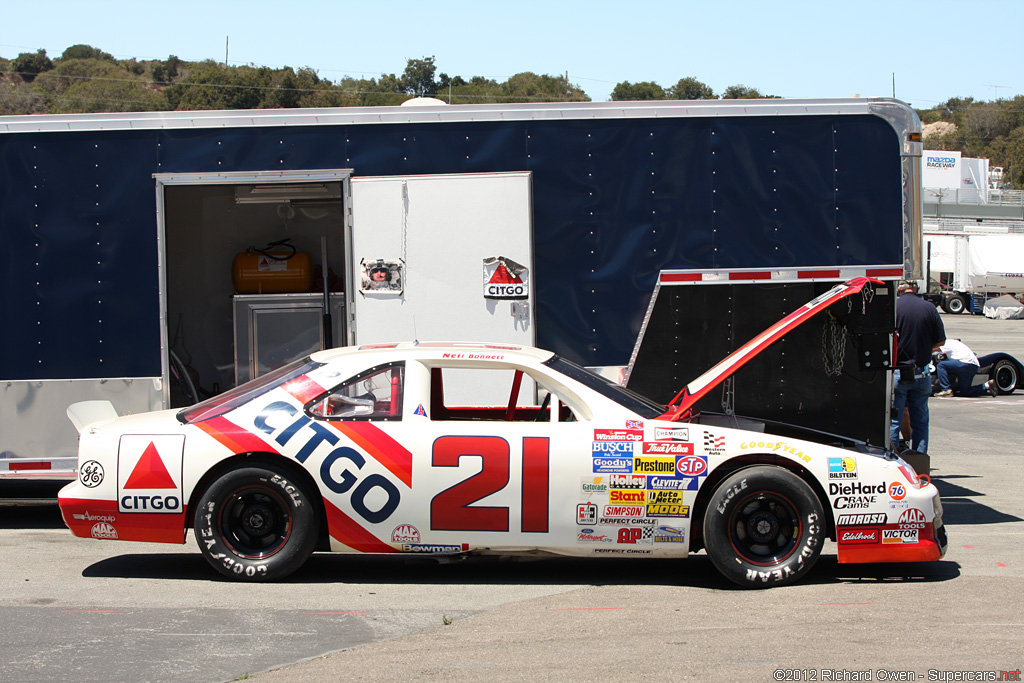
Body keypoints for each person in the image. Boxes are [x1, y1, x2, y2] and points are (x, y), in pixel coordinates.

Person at [891, 281, 945, 453]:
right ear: (917, 289)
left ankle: (892, 461)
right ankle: (920, 463)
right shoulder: (929, 308)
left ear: (899, 289)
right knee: (920, 422)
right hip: (922, 373)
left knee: (894, 421)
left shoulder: (894, 306)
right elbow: (941, 341)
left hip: (898, 372)